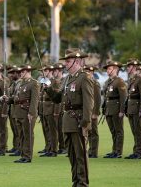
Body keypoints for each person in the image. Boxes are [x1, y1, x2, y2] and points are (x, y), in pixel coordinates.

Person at [46, 48, 94, 186]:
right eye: (65, 61)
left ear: (77, 61)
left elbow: (88, 102)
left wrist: (85, 122)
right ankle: (76, 181)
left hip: (79, 121)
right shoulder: (67, 78)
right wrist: (48, 89)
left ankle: (83, 183)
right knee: (72, 156)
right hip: (67, 121)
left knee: (81, 155)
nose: (65, 64)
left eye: (68, 61)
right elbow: (57, 98)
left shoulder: (84, 77)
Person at [4, 64, 40, 163]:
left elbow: (34, 100)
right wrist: (8, 99)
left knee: (28, 134)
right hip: (19, 112)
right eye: (20, 72)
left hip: (27, 112)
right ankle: (23, 155)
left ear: (28, 72)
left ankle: (28, 156)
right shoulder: (22, 83)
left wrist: (31, 113)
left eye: (23, 72)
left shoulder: (34, 83)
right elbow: (17, 98)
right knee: (21, 135)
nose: (21, 74)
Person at [102, 60, 127, 159]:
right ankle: (114, 150)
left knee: (118, 131)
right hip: (109, 109)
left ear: (116, 69)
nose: (108, 71)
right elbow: (106, 97)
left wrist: (122, 110)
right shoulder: (108, 82)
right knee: (113, 131)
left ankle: (118, 151)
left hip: (116, 109)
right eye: (107, 69)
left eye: (109, 68)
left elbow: (123, 97)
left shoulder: (119, 81)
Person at [124, 58, 141, 159]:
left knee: (139, 130)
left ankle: (140, 151)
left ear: (134, 67)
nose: (127, 68)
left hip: (137, 108)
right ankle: (136, 150)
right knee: (134, 131)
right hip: (131, 108)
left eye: (129, 66)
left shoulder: (139, 79)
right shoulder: (131, 79)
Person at [84, 65, 101, 158]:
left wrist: (96, 112)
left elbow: (98, 99)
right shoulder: (86, 82)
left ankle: (94, 152)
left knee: (93, 132)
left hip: (93, 111)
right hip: (87, 111)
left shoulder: (95, 83)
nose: (88, 73)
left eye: (90, 72)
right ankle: (89, 150)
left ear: (93, 73)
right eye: (86, 72)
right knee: (88, 131)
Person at [38, 65, 55, 157]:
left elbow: (56, 97)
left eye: (44, 71)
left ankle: (53, 149)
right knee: (46, 130)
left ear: (49, 71)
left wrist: (56, 111)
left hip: (51, 108)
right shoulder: (43, 82)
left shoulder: (54, 81)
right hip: (43, 108)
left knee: (52, 131)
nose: (42, 73)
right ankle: (48, 147)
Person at [52, 63, 67, 154]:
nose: (54, 72)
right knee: (58, 128)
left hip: (62, 108)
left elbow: (60, 97)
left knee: (62, 129)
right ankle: (61, 146)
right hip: (58, 107)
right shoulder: (56, 81)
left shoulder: (62, 81)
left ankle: (63, 146)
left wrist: (57, 111)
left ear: (60, 71)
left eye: (55, 71)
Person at [7, 65, 21, 156]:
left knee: (19, 131)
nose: (11, 75)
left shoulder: (19, 83)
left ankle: (19, 148)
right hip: (12, 109)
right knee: (15, 130)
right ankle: (16, 147)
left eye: (13, 73)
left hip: (17, 109)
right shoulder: (13, 83)